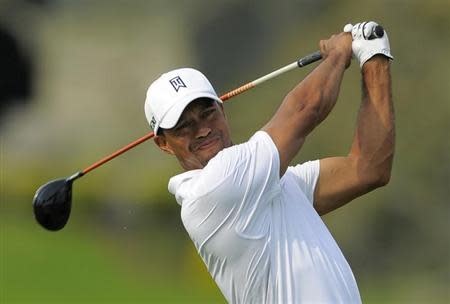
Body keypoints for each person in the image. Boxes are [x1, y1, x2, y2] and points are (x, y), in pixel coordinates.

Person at [144, 21, 394, 303]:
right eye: (183, 127)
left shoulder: (271, 182)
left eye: (207, 113)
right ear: (163, 143)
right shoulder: (212, 190)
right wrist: (339, 53)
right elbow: (304, 110)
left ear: (222, 109)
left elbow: (370, 168)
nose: (202, 129)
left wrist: (375, 57)